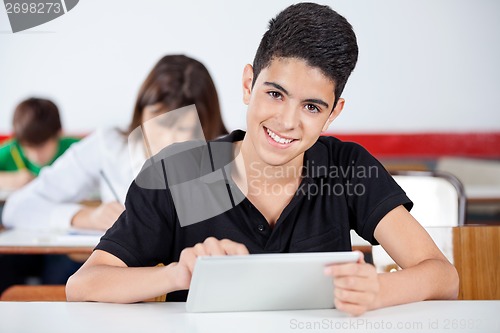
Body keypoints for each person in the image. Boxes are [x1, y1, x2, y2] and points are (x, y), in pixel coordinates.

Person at [66, 3, 458, 316]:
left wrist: (380, 290)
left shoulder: (346, 166)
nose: (287, 121)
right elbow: (84, 285)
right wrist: (178, 273)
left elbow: (442, 275)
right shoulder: (180, 172)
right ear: (247, 84)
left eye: (311, 106)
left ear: (333, 113)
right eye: (275, 94)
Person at [2, 55, 228, 231]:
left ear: (206, 126)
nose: (167, 141)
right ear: (140, 113)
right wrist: (86, 217)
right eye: (158, 122)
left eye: (182, 129)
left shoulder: (229, 155)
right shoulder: (108, 145)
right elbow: (17, 208)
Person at [0, 98, 79, 191]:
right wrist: (9, 180)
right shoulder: (12, 149)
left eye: (41, 146)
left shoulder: (76, 148)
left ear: (59, 133)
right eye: (28, 146)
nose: (35, 154)